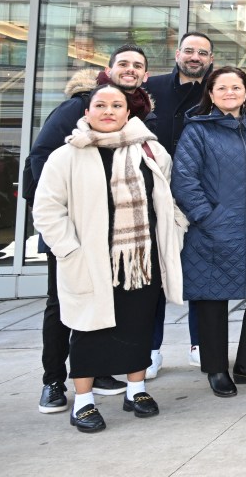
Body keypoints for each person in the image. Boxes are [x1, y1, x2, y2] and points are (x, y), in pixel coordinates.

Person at [32, 85, 186, 433]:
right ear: (86, 113)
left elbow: (167, 197)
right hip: (91, 259)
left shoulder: (152, 151)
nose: (108, 111)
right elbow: (46, 209)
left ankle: (136, 390)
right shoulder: (67, 155)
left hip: (141, 258)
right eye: (100, 105)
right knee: (89, 328)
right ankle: (83, 402)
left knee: (139, 325)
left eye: (117, 105)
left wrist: (174, 232)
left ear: (127, 112)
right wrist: (69, 248)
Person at [28, 44, 156, 413]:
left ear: (144, 75)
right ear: (108, 68)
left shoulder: (141, 121)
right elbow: (42, 160)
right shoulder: (75, 108)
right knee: (66, 307)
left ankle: (106, 373)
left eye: (137, 66)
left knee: (124, 308)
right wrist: (69, 235)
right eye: (123, 64)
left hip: (126, 242)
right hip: (77, 235)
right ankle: (54, 380)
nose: (130, 70)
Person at [173, 66, 246, 398]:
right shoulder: (197, 131)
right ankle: (216, 368)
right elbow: (184, 179)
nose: (229, 92)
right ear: (210, 93)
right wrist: (207, 217)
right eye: (222, 87)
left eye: (236, 87)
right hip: (213, 230)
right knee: (212, 299)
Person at [144, 31, 214, 371]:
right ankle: (151, 349)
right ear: (177, 54)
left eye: (202, 52)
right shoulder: (150, 89)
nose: (195, 57)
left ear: (210, 60)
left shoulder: (216, 92)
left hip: (200, 197)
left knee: (200, 273)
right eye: (190, 50)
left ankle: (199, 343)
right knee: (155, 276)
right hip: (153, 197)